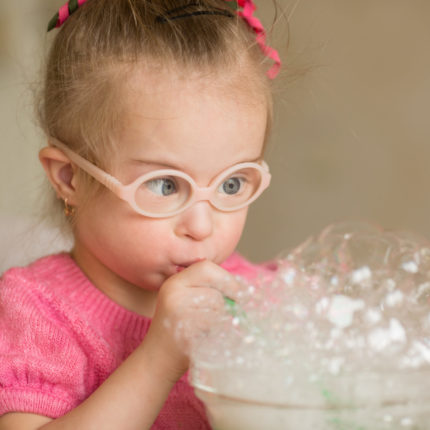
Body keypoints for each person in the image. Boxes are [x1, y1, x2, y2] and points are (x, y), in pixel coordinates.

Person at [0, 0, 281, 428]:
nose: (202, 227)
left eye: (231, 184)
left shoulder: (256, 297)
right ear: (69, 177)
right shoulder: (37, 313)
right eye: (165, 186)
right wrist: (158, 359)